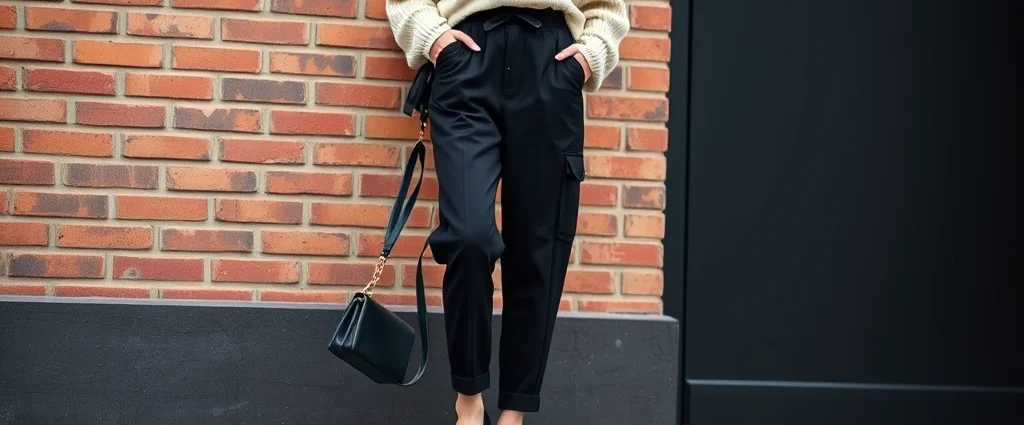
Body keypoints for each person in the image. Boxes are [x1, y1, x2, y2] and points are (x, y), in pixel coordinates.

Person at [385, 1, 629, 424]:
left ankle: (514, 414)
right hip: (467, 56)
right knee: (468, 235)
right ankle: (469, 402)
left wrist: (589, 57)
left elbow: (610, 7)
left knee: (538, 251)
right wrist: (436, 39)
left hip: (552, 63)